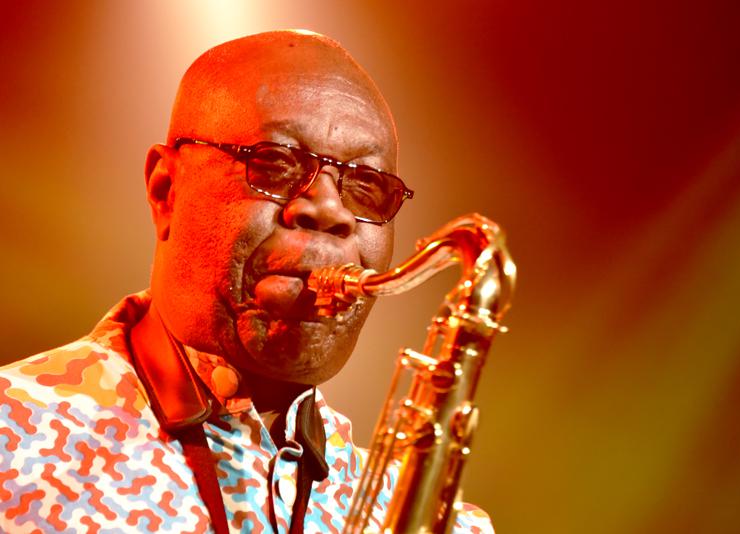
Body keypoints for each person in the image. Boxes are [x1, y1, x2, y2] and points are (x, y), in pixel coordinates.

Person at [0, 30, 493, 533]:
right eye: (275, 163)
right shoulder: (12, 435)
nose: (329, 210)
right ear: (166, 189)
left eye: (367, 186)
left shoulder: (446, 524)